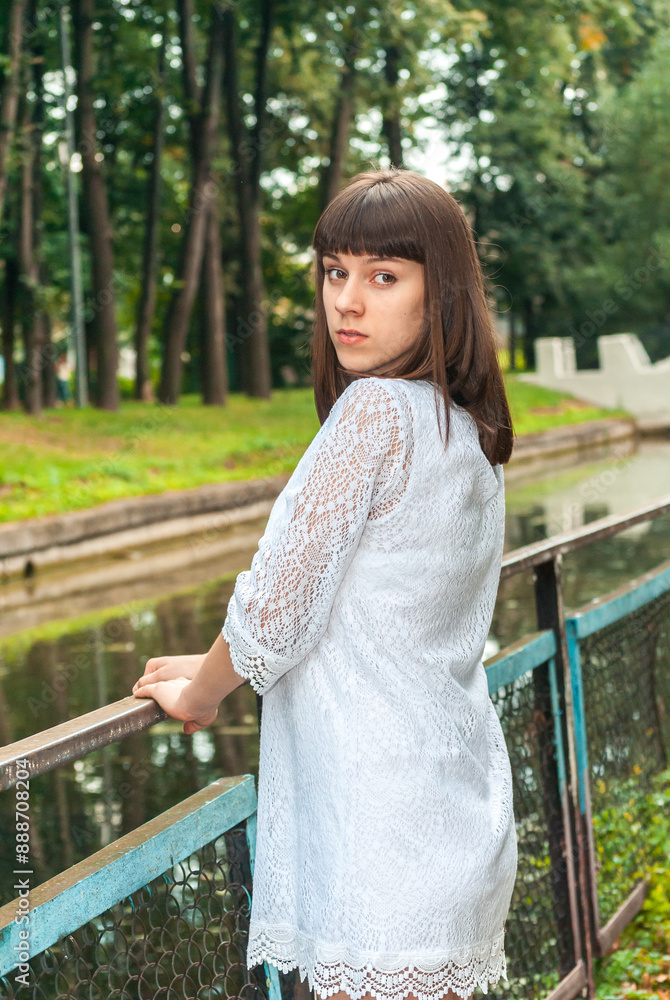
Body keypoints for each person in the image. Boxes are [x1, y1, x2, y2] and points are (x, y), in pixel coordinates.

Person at [132, 167, 518, 1000]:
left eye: (383, 277)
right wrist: (213, 661)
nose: (346, 300)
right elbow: (368, 607)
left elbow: (277, 606)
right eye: (334, 272)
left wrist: (201, 692)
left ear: (440, 293)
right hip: (453, 813)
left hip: (379, 836)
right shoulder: (467, 428)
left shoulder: (375, 413)